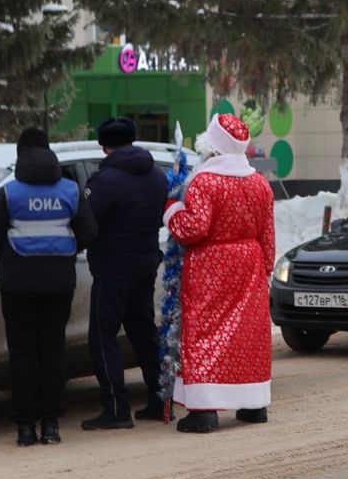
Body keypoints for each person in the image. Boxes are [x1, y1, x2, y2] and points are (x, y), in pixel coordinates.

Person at [0, 126, 97, 447]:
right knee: (52, 351)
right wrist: (64, 248)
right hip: (59, 282)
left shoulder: (9, 193)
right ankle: (52, 426)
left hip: (17, 284)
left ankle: (26, 428)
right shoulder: (70, 191)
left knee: (23, 354)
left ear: (20, 157)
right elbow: (89, 234)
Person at [164, 111, 276, 433]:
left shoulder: (205, 181)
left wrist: (172, 210)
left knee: (205, 332)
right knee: (247, 335)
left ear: (211, 146)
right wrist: (265, 267)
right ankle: (254, 405)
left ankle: (204, 409)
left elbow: (194, 228)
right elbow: (267, 233)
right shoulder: (259, 183)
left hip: (212, 266)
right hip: (250, 263)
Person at [80, 116, 171, 429]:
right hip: (145, 266)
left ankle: (117, 409)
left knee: (103, 339)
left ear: (104, 146)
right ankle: (161, 400)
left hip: (113, 270)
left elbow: (87, 225)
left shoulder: (104, 182)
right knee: (144, 333)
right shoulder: (158, 176)